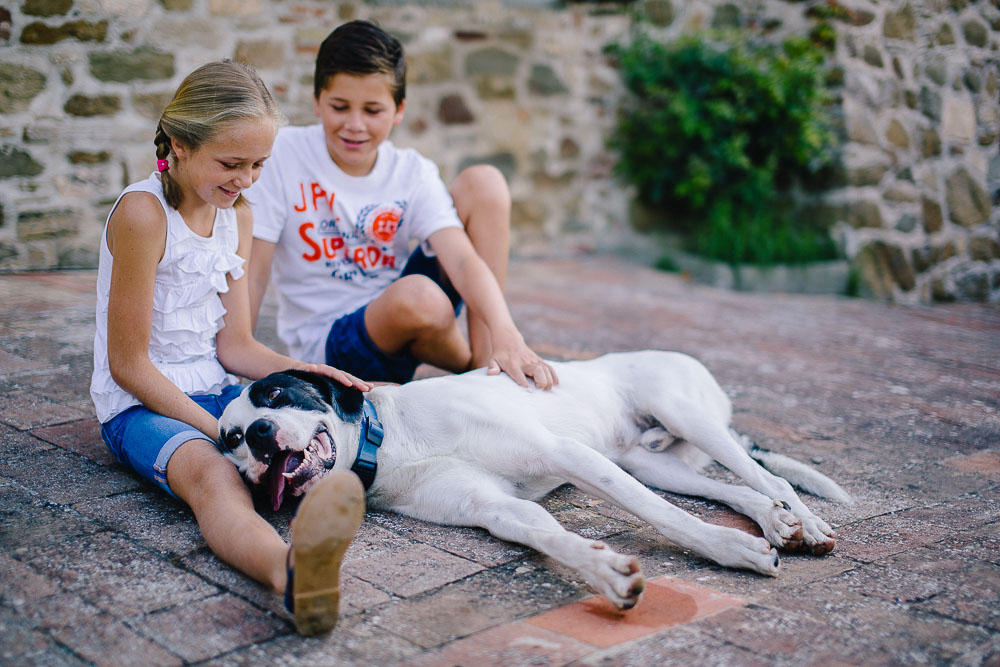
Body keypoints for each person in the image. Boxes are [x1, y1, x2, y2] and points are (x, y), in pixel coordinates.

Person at [89, 59, 367, 637]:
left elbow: (235, 346)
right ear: (180, 144)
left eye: (259, 165)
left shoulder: (236, 215)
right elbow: (129, 365)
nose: (246, 179)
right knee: (217, 476)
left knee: (300, 432)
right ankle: (291, 574)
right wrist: (220, 432)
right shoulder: (144, 214)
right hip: (140, 404)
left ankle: (319, 498)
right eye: (231, 163)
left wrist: (305, 370)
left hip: (217, 387)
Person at [247, 20, 558, 390]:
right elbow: (254, 270)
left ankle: (495, 358)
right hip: (334, 346)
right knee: (422, 298)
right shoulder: (284, 154)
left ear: (399, 110)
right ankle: (473, 369)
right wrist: (240, 360)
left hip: (407, 310)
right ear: (317, 102)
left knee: (485, 183)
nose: (355, 125)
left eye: (373, 110)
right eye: (340, 106)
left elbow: (460, 258)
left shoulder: (411, 171)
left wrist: (509, 332)